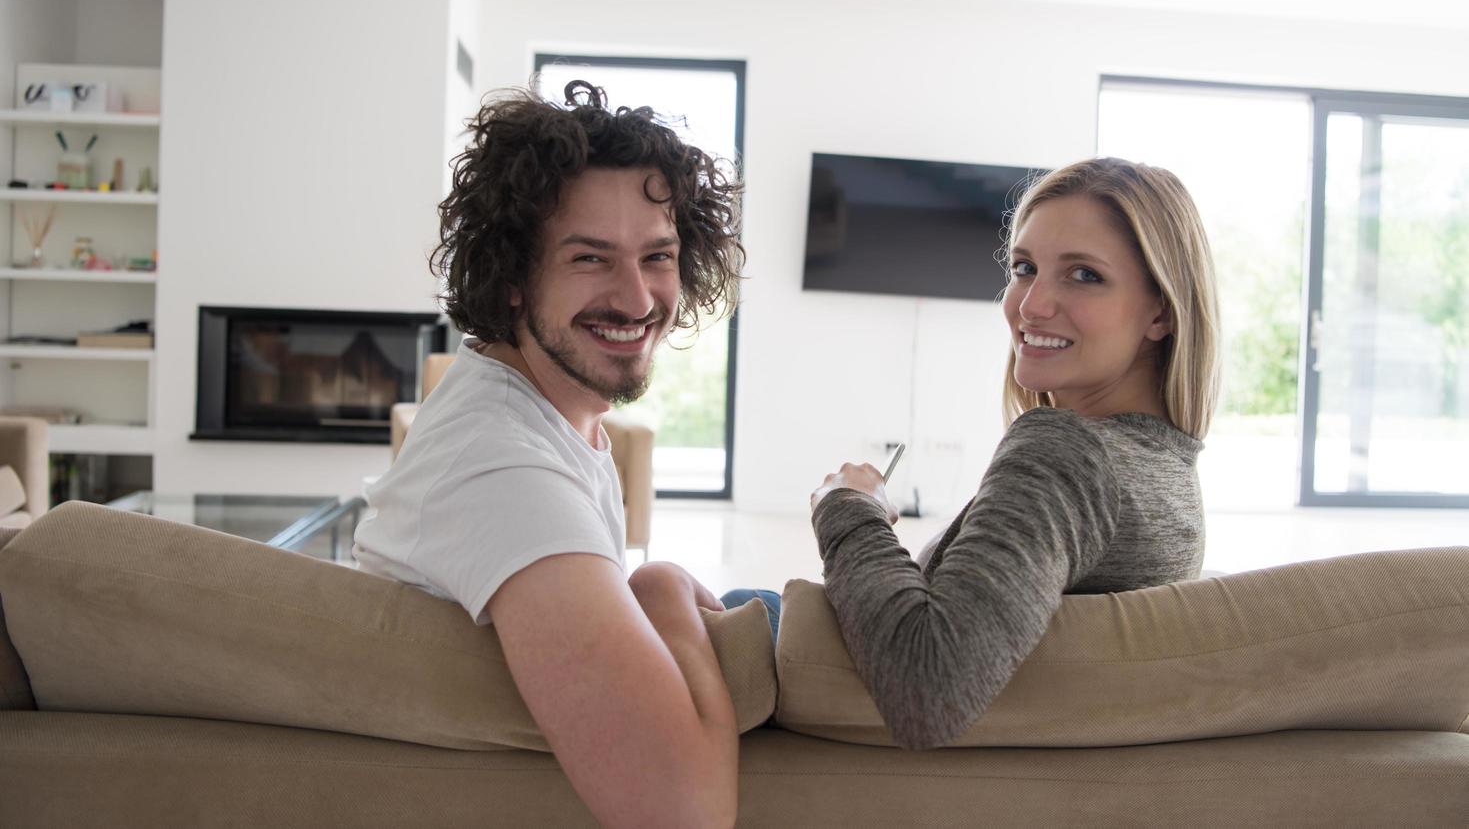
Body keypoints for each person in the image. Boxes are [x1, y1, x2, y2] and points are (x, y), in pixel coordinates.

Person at [354, 80, 745, 827]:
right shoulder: (502, 469)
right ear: (509, 278)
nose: (636, 300)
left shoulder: (544, 418)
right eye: (590, 259)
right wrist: (657, 586)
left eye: (656, 256)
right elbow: (681, 814)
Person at [808, 157, 1220, 750]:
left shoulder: (1064, 449)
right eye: (1024, 268)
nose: (1030, 305)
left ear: (1161, 310)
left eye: (1083, 275)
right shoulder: (1170, 474)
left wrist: (847, 507)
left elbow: (928, 687)